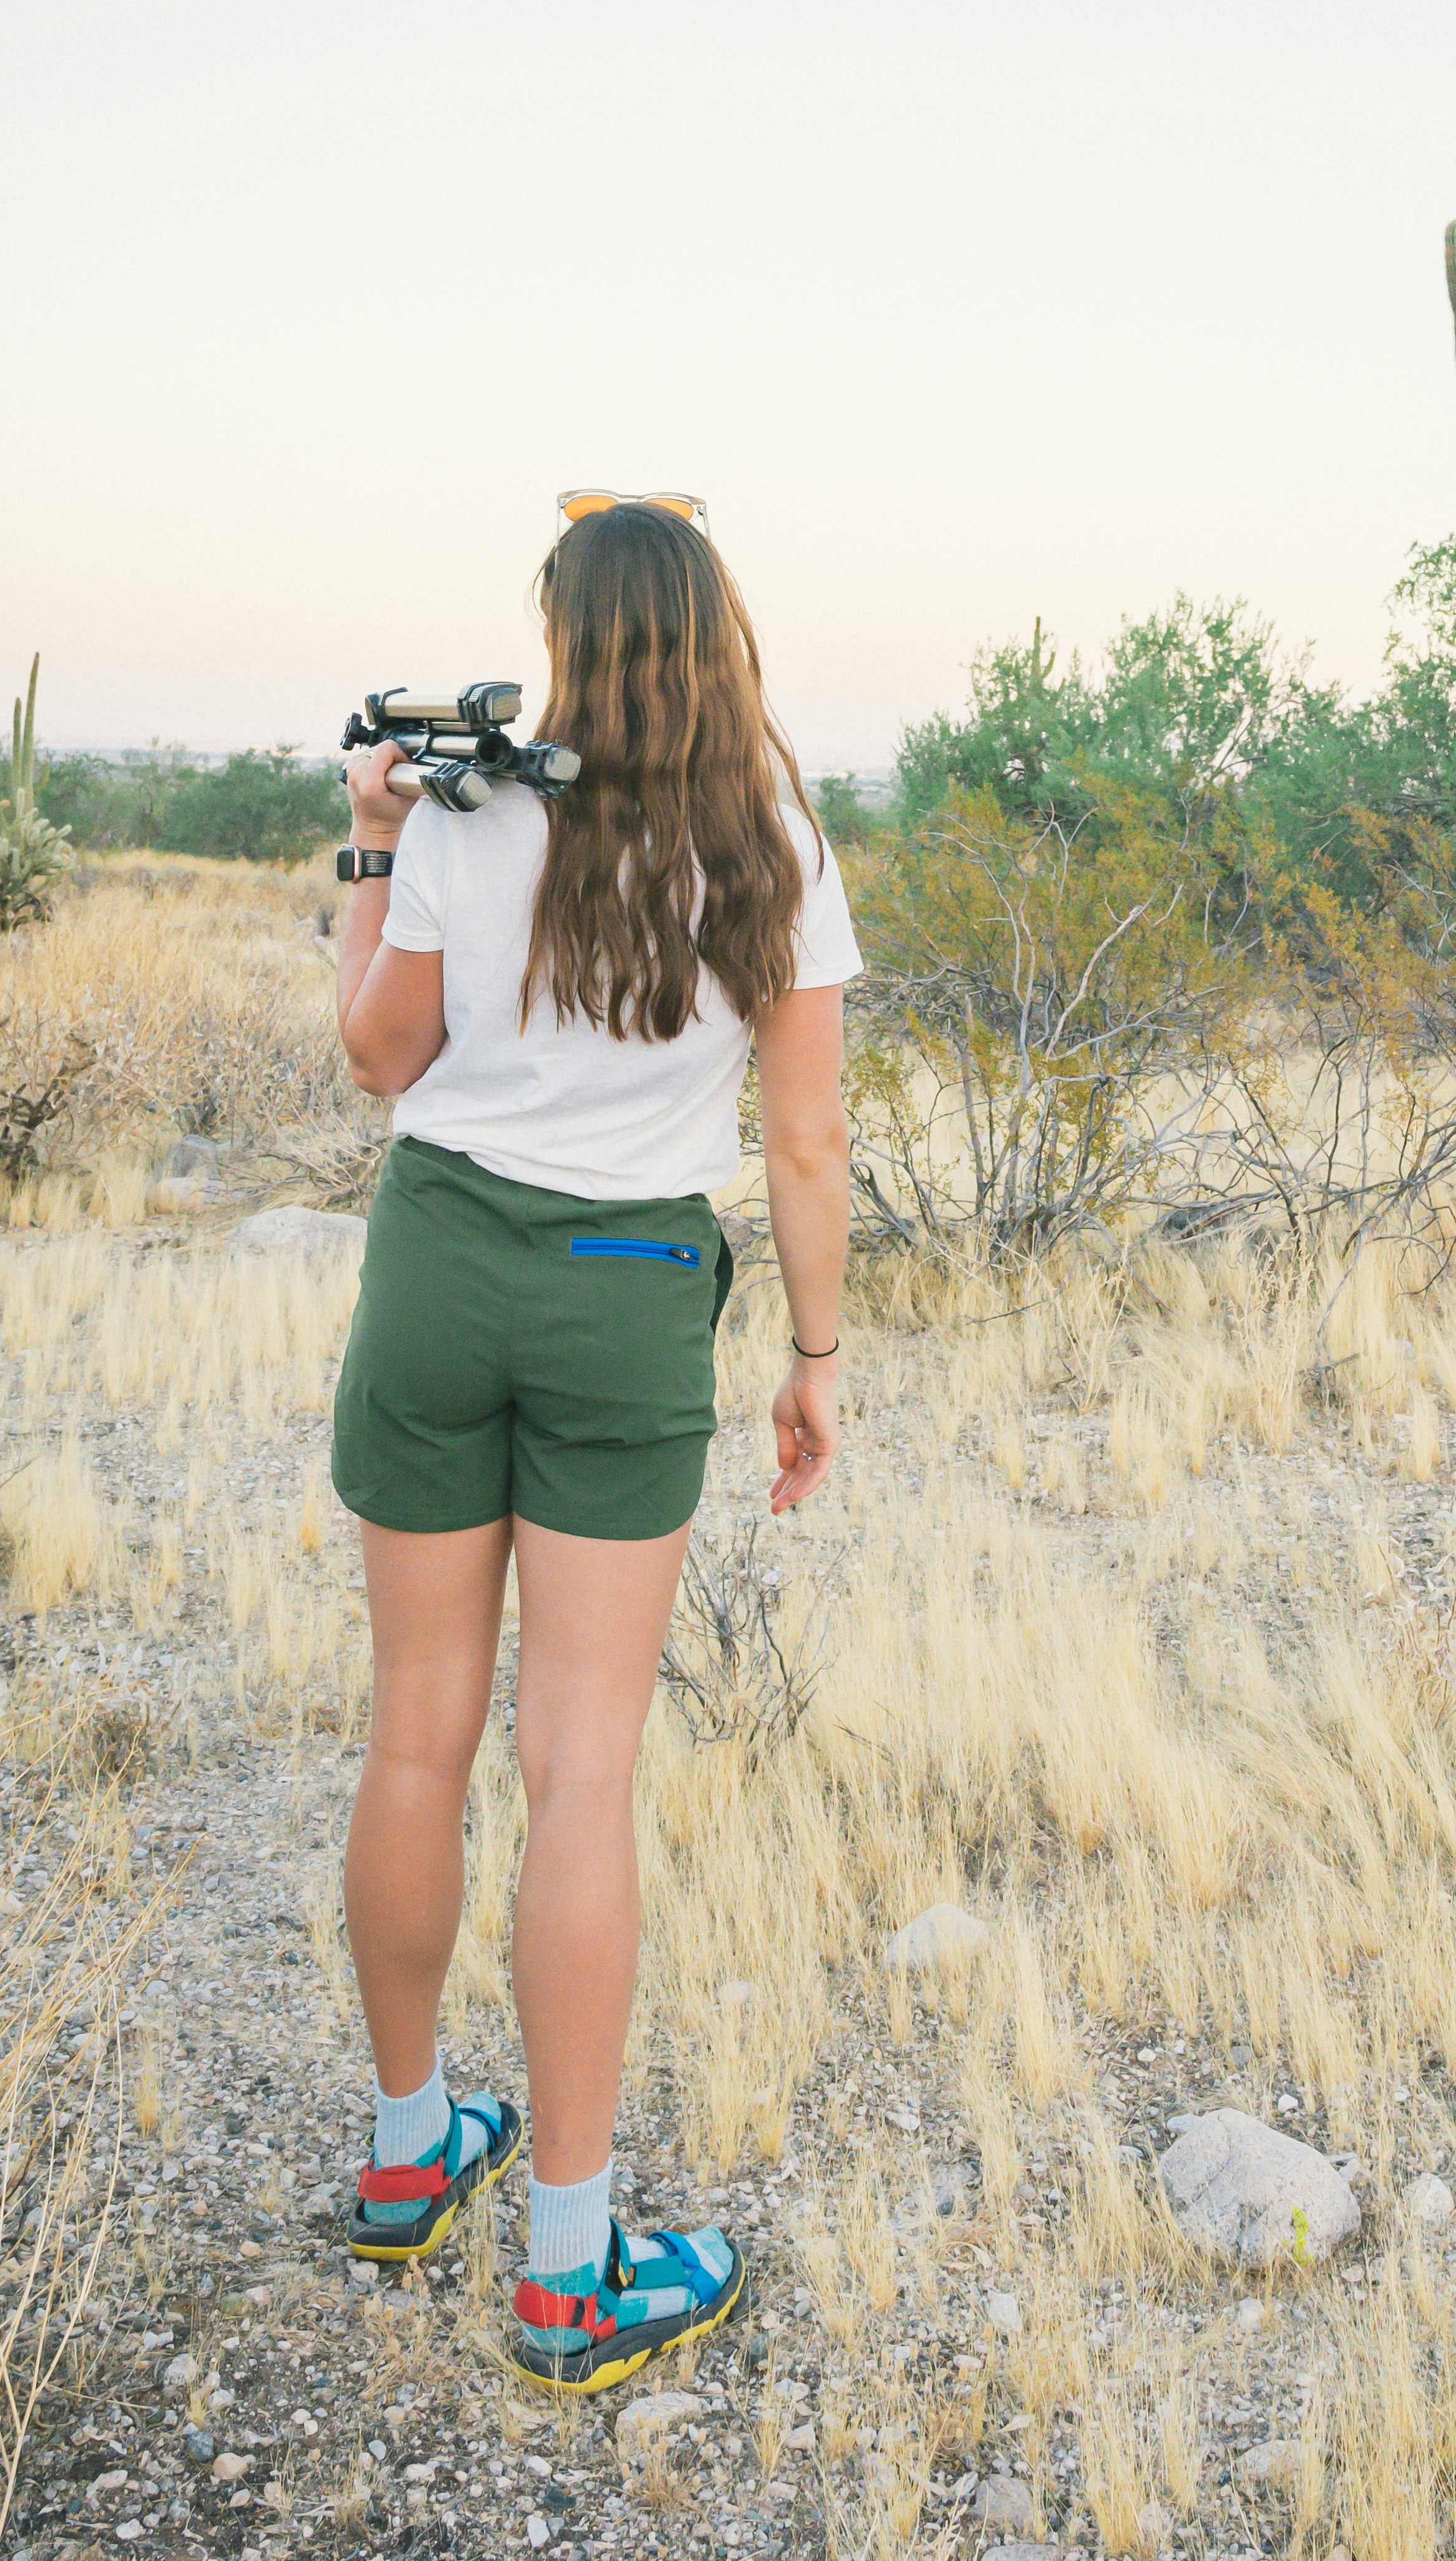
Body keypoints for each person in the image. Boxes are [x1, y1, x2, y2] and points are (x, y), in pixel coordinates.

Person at [326, 494, 858, 2394]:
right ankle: (567, 2272)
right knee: (579, 1775)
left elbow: (378, 1055)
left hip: (442, 1265)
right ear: (717, 631)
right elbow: (801, 1139)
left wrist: (374, 849)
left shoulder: (468, 810)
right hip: (631, 1285)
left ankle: (406, 2164)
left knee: (414, 1731)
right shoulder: (770, 833)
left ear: (561, 631)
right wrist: (810, 1350)